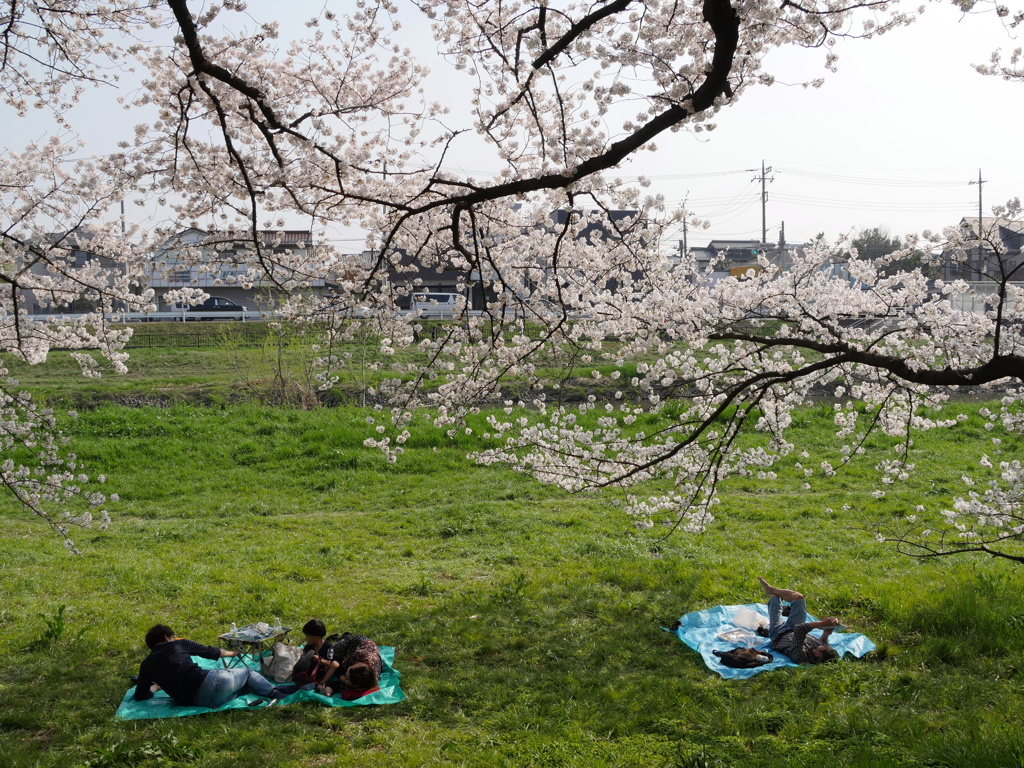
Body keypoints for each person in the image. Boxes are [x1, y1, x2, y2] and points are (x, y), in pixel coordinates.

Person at [133, 624, 295, 708]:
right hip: (207, 683)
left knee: (244, 687)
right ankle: (276, 693)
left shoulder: (146, 664)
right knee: (247, 674)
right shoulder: (177, 644)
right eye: (172, 637)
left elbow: (140, 695)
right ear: (166, 638)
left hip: (196, 702)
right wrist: (232, 654)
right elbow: (209, 652)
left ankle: (285, 691)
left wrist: (155, 687)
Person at [758, 577, 841, 665]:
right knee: (798, 597)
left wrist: (822, 623)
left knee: (774, 598)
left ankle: (771, 592)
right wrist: (826, 633)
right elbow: (822, 643)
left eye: (825, 647)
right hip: (792, 628)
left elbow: (800, 629)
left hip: (778, 634)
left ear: (817, 654)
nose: (826, 645)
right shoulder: (818, 651)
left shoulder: (801, 656)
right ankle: (771, 589)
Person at [298, 618, 339, 693]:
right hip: (312, 672)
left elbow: (328, 662)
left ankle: (321, 683)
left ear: (316, 637)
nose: (306, 639)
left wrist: (318, 660)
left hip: (324, 671)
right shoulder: (308, 647)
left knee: (335, 664)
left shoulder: (328, 647)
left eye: (307, 636)